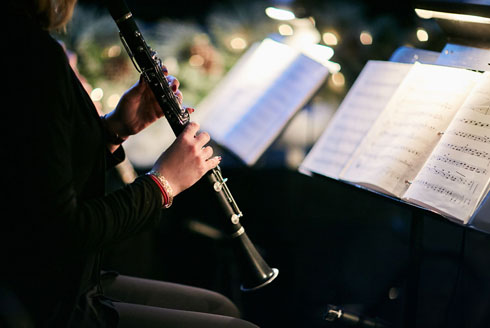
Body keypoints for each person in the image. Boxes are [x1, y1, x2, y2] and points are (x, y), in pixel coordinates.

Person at [1, 1, 259, 327]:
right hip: (47, 296)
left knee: (221, 308)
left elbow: (38, 171)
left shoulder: (26, 43)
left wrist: (113, 130)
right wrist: (163, 183)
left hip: (54, 278)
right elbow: (67, 231)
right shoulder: (34, 58)